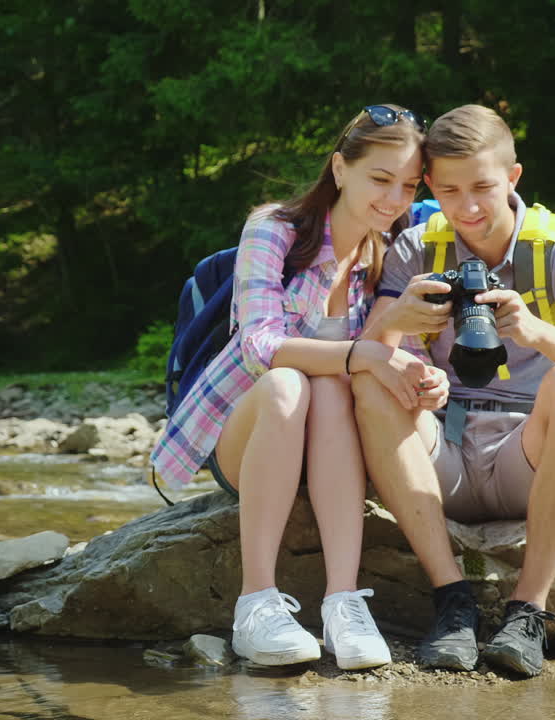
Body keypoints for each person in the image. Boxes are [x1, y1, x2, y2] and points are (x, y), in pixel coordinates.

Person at [150, 104, 449, 670]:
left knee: (334, 387)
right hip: (256, 434)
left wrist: (424, 380)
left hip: (339, 447)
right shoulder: (275, 229)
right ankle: (255, 604)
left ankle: (343, 604)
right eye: (380, 178)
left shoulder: (396, 250)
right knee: (291, 382)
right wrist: (360, 353)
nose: (394, 199)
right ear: (339, 168)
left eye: (409, 186)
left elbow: (402, 352)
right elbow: (258, 344)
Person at [352, 104, 555, 677]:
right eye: (449, 191)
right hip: (444, 451)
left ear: (512, 177)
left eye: (483, 187)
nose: (468, 208)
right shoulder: (417, 248)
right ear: (429, 185)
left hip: (526, 460)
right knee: (370, 375)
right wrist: (399, 327)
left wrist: (536, 332)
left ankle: (527, 610)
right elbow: (366, 353)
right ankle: (451, 599)